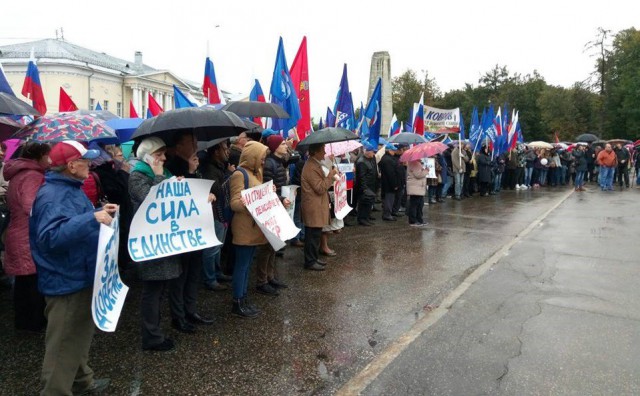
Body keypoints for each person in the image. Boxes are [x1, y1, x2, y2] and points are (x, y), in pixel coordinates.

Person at [30, 140, 116, 395]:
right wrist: (91, 217)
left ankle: (81, 382)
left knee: (75, 334)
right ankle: (56, 391)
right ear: (71, 165)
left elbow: (74, 222)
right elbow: (50, 239)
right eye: (86, 160)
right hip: (66, 279)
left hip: (77, 274)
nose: (90, 164)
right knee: (63, 344)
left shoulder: (68, 188)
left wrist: (100, 212)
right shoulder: (53, 195)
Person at [129, 137, 182, 351]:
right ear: (148, 156)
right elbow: (152, 200)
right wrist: (160, 177)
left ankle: (156, 331)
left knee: (159, 289)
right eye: (159, 154)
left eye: (163, 154)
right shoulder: (138, 176)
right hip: (150, 240)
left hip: (164, 239)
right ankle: (151, 337)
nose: (163, 158)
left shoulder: (163, 174)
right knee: (152, 289)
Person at [165, 131, 214, 332]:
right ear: (178, 147)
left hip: (196, 228)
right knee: (180, 275)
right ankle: (178, 316)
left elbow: (198, 191)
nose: (195, 145)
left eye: (196, 141)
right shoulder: (171, 167)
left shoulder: (194, 163)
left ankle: (191, 310)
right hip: (180, 231)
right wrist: (191, 171)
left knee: (194, 272)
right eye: (190, 142)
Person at [3, 142, 50, 332]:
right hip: (27, 234)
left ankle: (24, 322)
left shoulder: (19, 173)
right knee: (31, 282)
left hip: (18, 231)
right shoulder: (32, 175)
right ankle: (32, 323)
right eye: (48, 155)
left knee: (24, 282)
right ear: (39, 157)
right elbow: (30, 205)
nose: (50, 159)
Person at [229, 141, 269, 317]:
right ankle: (237, 302)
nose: (263, 161)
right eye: (261, 157)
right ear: (253, 157)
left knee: (246, 266)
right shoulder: (239, 174)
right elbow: (234, 203)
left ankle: (243, 298)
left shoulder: (254, 174)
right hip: (244, 228)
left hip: (253, 228)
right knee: (242, 266)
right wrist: (247, 201)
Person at [255, 134, 290, 296]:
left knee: (273, 245)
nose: (286, 146)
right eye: (283, 144)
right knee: (266, 246)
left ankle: (270, 276)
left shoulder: (278, 162)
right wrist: (281, 199)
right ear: (275, 147)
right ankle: (262, 281)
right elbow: (268, 189)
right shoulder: (270, 163)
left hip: (279, 205)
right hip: (272, 208)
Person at [199, 140, 233, 292]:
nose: (227, 152)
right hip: (214, 213)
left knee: (218, 246)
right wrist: (230, 176)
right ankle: (210, 279)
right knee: (211, 247)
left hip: (221, 212)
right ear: (216, 152)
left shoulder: (219, 166)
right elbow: (217, 190)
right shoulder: (209, 169)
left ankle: (217, 272)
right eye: (224, 149)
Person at [301, 143, 338, 271]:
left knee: (315, 234)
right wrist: (330, 176)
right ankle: (310, 261)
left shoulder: (315, 164)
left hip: (317, 205)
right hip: (313, 206)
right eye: (323, 150)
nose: (325, 152)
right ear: (315, 152)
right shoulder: (311, 167)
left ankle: (314, 258)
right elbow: (319, 188)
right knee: (312, 235)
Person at [355, 144, 378, 226]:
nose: (374, 154)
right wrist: (364, 188)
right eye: (373, 152)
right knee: (364, 203)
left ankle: (366, 217)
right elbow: (361, 177)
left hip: (370, 186)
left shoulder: (369, 159)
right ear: (368, 152)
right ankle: (362, 219)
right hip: (365, 188)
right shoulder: (361, 162)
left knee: (368, 203)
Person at [379, 146, 401, 221]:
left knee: (389, 199)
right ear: (389, 151)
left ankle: (388, 213)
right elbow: (391, 174)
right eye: (393, 150)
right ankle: (387, 214)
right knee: (389, 199)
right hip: (389, 184)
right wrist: (394, 184)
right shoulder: (388, 160)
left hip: (387, 183)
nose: (394, 152)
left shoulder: (386, 158)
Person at [406, 159, 428, 226]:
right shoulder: (415, 163)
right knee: (415, 205)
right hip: (415, 187)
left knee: (419, 204)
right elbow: (418, 175)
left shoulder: (415, 163)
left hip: (417, 187)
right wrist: (426, 171)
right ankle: (413, 221)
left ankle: (419, 219)